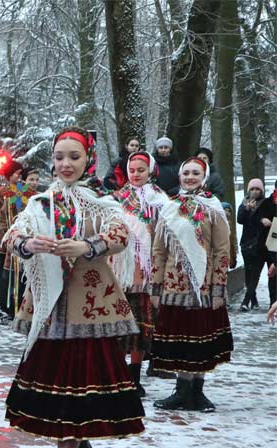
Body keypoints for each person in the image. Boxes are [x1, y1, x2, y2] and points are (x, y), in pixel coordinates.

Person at [3, 127, 144, 448]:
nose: (65, 164)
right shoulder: (40, 204)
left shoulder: (100, 202)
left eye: (74, 157)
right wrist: (28, 245)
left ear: (88, 161)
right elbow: (14, 234)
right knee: (62, 397)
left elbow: (120, 234)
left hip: (89, 312)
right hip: (50, 313)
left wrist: (87, 245)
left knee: (78, 396)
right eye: (60, 156)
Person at [151, 157, 233, 412]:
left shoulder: (213, 207)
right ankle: (181, 390)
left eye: (195, 173)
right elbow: (159, 250)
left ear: (204, 176)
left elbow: (221, 250)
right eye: (185, 172)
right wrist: (156, 287)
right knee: (180, 340)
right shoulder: (170, 207)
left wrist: (218, 287)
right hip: (173, 286)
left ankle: (197, 392)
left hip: (204, 286)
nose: (189, 177)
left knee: (200, 340)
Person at [113, 152, 169, 396]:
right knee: (117, 324)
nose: (135, 174)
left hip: (145, 271)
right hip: (119, 269)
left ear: (150, 171)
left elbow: (166, 233)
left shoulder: (159, 200)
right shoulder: (117, 198)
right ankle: (115, 374)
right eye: (132, 170)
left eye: (140, 170)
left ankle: (134, 377)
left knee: (140, 326)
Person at [0, 160, 36, 320]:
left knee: (20, 274)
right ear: (10, 175)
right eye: (17, 173)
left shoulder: (27, 192)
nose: (20, 176)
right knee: (6, 273)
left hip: (24, 239)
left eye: (22, 173)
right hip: (5, 240)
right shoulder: (1, 192)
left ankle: (19, 305)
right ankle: (5, 305)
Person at [236, 178, 273, 310]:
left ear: (262, 190)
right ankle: (254, 299)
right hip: (246, 243)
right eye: (252, 189)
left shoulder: (265, 204)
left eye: (258, 189)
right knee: (248, 272)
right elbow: (240, 219)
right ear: (248, 190)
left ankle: (246, 301)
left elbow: (264, 222)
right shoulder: (244, 203)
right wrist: (247, 209)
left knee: (255, 273)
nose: (255, 192)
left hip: (259, 244)